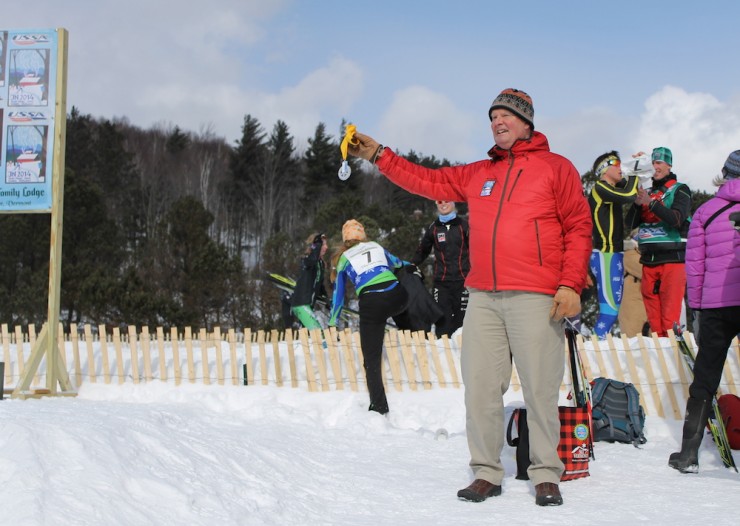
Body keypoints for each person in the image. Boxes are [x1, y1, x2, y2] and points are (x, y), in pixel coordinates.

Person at [347, 88, 592, 506]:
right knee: (479, 386)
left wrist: (570, 284)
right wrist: (379, 156)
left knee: (540, 388)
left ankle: (546, 473)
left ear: (527, 122)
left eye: (507, 116)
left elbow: (578, 226)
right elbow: (427, 179)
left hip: (536, 295)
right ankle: (485, 471)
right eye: (493, 116)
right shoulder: (479, 172)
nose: (498, 122)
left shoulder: (557, 168)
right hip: (483, 296)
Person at [669, 150, 740, 473]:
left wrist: (694, 310)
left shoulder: (706, 213)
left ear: (724, 174)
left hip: (715, 306)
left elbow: (694, 268)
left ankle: (688, 454)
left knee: (706, 377)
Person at [328, 219, 409, 415]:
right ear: (363, 235)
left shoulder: (343, 258)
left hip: (373, 303)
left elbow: (339, 295)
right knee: (402, 299)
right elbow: (399, 263)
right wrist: (412, 267)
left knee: (371, 358)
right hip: (399, 297)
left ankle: (379, 407)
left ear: (345, 239)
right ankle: (418, 328)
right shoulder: (375, 246)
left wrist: (332, 322)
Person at [626, 147, 692, 337]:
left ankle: (672, 352)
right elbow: (629, 224)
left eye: (659, 163)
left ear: (669, 165)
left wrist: (651, 203)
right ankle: (660, 352)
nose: (655, 167)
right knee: (654, 319)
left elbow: (677, 219)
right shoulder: (645, 190)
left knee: (670, 316)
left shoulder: (680, 189)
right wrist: (637, 204)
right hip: (648, 260)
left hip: (673, 259)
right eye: (652, 163)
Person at [587, 151, 638, 338]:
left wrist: (639, 165)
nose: (620, 167)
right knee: (609, 312)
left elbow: (632, 191)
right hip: (604, 255)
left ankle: (596, 350)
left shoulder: (614, 188)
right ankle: (593, 353)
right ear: (604, 168)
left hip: (614, 254)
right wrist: (635, 171)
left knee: (612, 311)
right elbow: (629, 194)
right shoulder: (600, 187)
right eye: (615, 163)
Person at [411, 199, 471, 337]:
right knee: (442, 320)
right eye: (439, 201)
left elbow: (476, 249)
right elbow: (423, 250)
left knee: (462, 321)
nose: (443, 204)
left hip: (463, 281)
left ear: (453, 203)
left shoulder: (464, 225)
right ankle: (443, 353)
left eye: (447, 201)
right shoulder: (434, 228)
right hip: (441, 283)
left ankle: (461, 354)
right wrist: (412, 264)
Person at [290, 233, 329, 330]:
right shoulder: (306, 260)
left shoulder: (320, 264)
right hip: (301, 304)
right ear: (316, 245)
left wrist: (326, 299)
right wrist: (317, 245)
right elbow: (312, 260)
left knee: (308, 338)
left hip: (309, 305)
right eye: (323, 244)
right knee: (319, 335)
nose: (326, 247)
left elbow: (319, 284)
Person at [618, 234, 649, 337]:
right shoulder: (630, 254)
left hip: (650, 303)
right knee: (633, 339)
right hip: (634, 304)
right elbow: (645, 271)